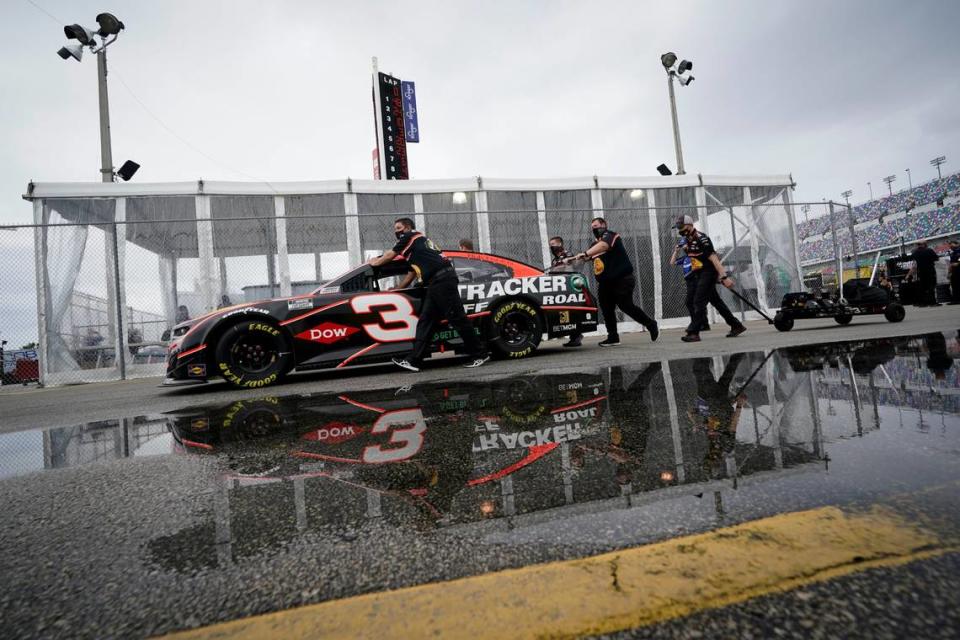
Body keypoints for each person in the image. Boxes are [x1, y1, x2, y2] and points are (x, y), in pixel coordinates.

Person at [367, 217, 489, 372]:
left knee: (457, 318)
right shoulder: (417, 246)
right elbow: (412, 272)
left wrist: (374, 262)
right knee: (426, 320)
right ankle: (414, 361)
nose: (396, 232)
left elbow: (389, 255)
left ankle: (479, 354)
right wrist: (398, 288)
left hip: (442, 280)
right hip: (435, 283)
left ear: (407, 228)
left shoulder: (410, 236)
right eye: (395, 229)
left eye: (399, 228)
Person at [567, 217, 658, 346]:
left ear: (604, 225)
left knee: (625, 305)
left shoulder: (611, 236)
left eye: (596, 225)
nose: (594, 228)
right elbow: (584, 258)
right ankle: (613, 337)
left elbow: (604, 245)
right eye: (592, 227)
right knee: (606, 308)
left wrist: (585, 253)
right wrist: (570, 260)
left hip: (622, 279)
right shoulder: (595, 246)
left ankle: (650, 324)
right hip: (605, 283)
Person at [674, 215, 746, 343]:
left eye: (681, 227)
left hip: (708, 272)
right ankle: (736, 325)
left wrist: (723, 277)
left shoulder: (702, 239)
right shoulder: (688, 240)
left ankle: (694, 333)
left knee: (698, 301)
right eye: (678, 228)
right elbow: (694, 258)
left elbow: (714, 259)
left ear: (690, 225)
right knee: (716, 301)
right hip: (700, 274)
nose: (680, 230)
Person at [548, 236, 583, 347]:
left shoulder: (568, 255)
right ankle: (573, 336)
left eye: (553, 244)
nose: (551, 247)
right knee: (563, 313)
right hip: (559, 287)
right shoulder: (555, 259)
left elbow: (568, 267)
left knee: (571, 311)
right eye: (550, 245)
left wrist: (554, 270)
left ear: (560, 244)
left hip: (569, 286)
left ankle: (577, 336)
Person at [669, 236, 709, 332]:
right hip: (689, 281)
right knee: (695, 303)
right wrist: (676, 251)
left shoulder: (695, 255)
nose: (684, 247)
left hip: (695, 280)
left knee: (692, 302)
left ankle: (698, 323)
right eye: (682, 246)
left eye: (685, 245)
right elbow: (672, 262)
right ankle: (702, 323)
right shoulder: (685, 258)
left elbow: (699, 266)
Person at [906, 240, 939, 306]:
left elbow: (914, 264)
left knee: (923, 287)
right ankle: (932, 302)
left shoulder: (915, 253)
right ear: (924, 244)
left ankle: (923, 303)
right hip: (930, 271)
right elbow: (936, 259)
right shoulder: (929, 250)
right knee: (931, 287)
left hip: (921, 272)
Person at [948, 239, 960, 305]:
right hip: (954, 271)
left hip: (958, 269)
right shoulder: (952, 253)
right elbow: (951, 263)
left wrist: (958, 263)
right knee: (954, 285)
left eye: (951, 244)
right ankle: (955, 299)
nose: (950, 246)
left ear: (956, 244)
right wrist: (949, 272)